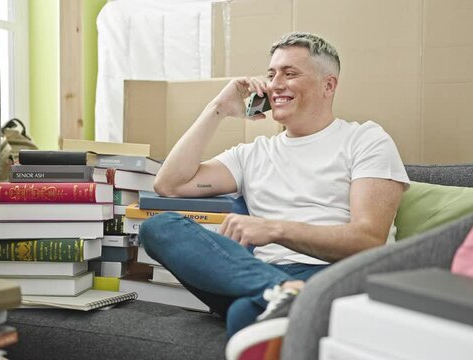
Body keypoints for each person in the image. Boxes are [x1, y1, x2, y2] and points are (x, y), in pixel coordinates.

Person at [138, 32, 409, 358]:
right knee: (158, 227)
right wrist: (218, 108)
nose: (275, 84)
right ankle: (282, 292)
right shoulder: (251, 154)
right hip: (262, 277)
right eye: (271, 75)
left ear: (328, 85)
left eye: (290, 73)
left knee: (244, 315)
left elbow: (369, 239)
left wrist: (274, 229)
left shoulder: (366, 140)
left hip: (336, 273)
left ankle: (286, 294)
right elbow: (169, 184)